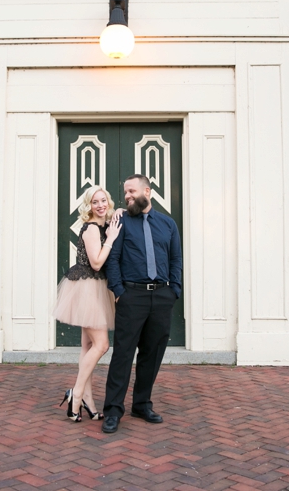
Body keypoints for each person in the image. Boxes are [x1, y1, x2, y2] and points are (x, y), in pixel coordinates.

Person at [101, 174, 183, 434]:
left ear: (147, 191)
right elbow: (112, 259)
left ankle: (142, 404)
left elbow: (175, 260)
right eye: (125, 192)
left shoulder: (168, 224)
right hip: (131, 296)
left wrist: (174, 291)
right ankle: (113, 410)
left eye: (132, 191)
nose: (127, 196)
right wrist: (119, 291)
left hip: (161, 296)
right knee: (123, 354)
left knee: (152, 353)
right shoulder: (121, 221)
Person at [53, 185, 121, 422]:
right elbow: (96, 263)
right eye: (95, 202)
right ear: (88, 206)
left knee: (87, 347)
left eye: (104, 200)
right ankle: (77, 394)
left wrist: (119, 213)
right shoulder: (92, 229)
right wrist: (111, 239)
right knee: (101, 345)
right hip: (87, 288)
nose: (101, 205)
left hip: (95, 288)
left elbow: (116, 213)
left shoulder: (104, 222)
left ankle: (89, 401)